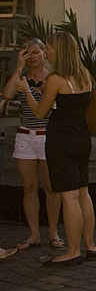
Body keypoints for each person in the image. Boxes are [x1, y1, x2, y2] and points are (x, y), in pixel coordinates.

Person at [19, 32, 96, 265]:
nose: (47, 52)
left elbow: (39, 112)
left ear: (59, 51)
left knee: (69, 197)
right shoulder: (84, 74)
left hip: (60, 140)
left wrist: (27, 92)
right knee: (84, 192)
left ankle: (72, 250)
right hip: (81, 137)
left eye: (49, 48)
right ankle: (90, 245)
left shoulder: (55, 79)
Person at [4, 38, 62, 251]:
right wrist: (18, 67)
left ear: (44, 54)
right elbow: (7, 94)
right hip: (26, 135)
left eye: (36, 52)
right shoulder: (22, 78)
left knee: (50, 187)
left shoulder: (52, 78)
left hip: (47, 135)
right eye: (28, 53)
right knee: (29, 187)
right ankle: (34, 234)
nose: (33, 57)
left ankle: (53, 232)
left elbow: (50, 108)